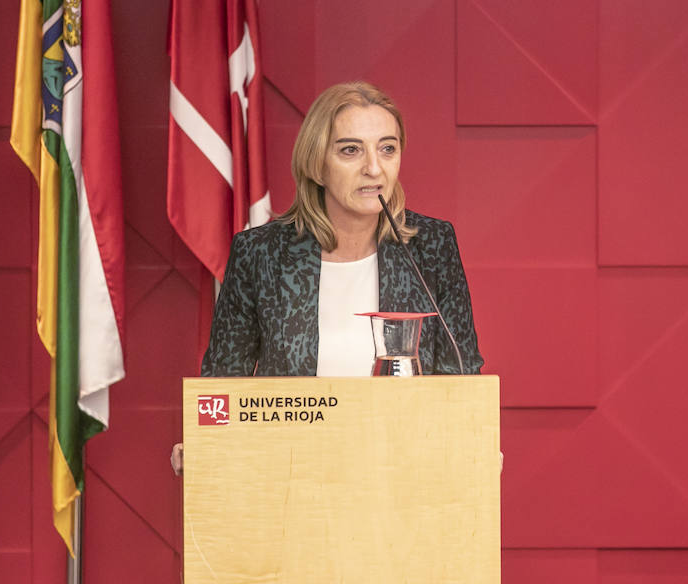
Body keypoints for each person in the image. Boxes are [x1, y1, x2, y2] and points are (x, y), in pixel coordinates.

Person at [200, 80, 482, 377]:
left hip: (406, 425)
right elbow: (222, 388)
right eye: (351, 150)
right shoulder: (260, 254)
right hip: (297, 426)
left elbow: (463, 382)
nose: (374, 168)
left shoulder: (432, 247)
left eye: (387, 148)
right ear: (317, 165)